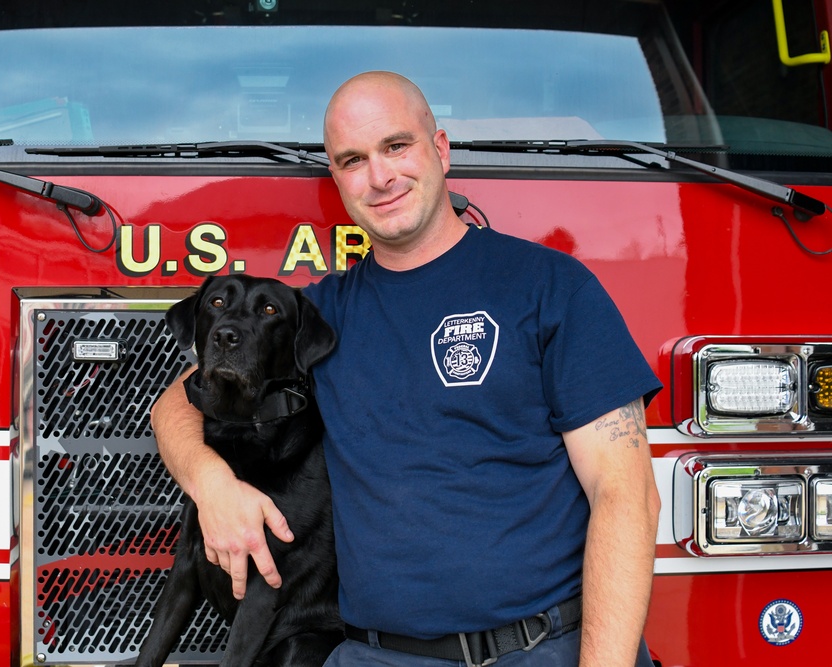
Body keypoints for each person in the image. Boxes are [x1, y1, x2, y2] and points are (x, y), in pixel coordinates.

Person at [151, 71, 663, 667]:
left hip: (540, 648)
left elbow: (626, 494)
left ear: (440, 150)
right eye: (352, 160)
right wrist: (213, 486)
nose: (380, 176)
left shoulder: (549, 287)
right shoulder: (321, 317)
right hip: (374, 657)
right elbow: (178, 402)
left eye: (397, 147)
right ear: (337, 179)